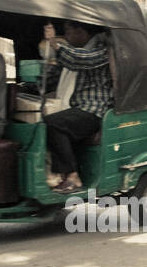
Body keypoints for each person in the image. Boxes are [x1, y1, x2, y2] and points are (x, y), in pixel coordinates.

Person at [43, 20, 113, 194]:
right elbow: (53, 77)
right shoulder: (72, 53)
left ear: (82, 32)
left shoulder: (102, 49)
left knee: (53, 123)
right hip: (78, 107)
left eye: (68, 31)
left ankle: (72, 176)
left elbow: (81, 60)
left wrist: (57, 46)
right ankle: (56, 176)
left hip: (94, 110)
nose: (66, 36)